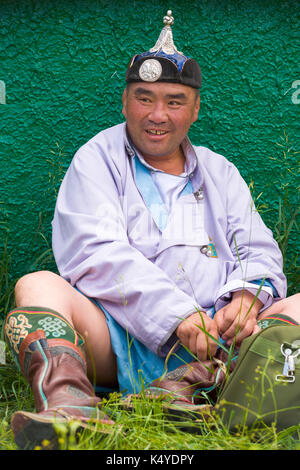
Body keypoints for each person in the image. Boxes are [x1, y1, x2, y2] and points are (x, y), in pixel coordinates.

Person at [4, 10, 300, 449]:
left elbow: (256, 250)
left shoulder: (220, 171)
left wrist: (245, 297)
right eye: (144, 98)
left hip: (219, 344)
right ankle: (71, 407)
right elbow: (93, 253)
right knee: (37, 286)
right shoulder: (96, 159)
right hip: (119, 338)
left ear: (195, 110)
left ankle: (200, 386)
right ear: (125, 103)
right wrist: (179, 316)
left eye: (174, 101)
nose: (157, 114)